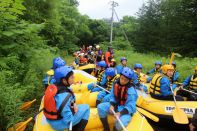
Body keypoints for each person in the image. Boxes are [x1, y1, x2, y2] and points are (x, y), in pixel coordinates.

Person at [44, 66, 90, 131]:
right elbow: (68, 120)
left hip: (52, 119)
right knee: (87, 107)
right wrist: (73, 112)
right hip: (58, 123)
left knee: (78, 107)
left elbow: (66, 103)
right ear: (64, 80)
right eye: (71, 77)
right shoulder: (64, 96)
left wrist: (73, 105)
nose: (74, 78)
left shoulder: (55, 86)